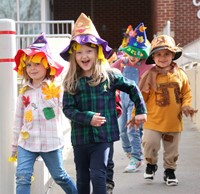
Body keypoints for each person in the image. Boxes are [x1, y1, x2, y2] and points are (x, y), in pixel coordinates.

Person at [60, 13, 147, 194]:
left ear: (97, 52)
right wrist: (88, 118)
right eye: (79, 52)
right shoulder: (71, 81)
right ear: (74, 56)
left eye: (89, 51)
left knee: (99, 174)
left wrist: (140, 110)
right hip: (80, 137)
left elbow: (132, 88)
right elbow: (68, 109)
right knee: (82, 176)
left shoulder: (110, 76)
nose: (84, 56)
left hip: (103, 137)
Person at [9, 33, 78, 194]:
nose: (32, 68)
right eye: (29, 65)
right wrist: (14, 144)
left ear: (47, 65)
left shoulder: (56, 88)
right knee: (22, 176)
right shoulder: (24, 91)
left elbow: (68, 109)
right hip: (26, 142)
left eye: (37, 64)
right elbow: (18, 120)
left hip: (51, 142)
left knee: (59, 176)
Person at [128, 34, 198, 186]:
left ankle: (170, 171)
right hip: (153, 120)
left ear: (173, 55)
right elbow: (140, 98)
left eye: (166, 54)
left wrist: (186, 105)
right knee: (149, 144)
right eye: (158, 54)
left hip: (173, 121)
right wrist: (135, 114)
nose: (162, 58)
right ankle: (151, 164)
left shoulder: (180, 74)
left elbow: (186, 92)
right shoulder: (148, 76)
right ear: (153, 57)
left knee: (172, 151)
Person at [111, 23, 154, 173]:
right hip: (123, 101)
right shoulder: (122, 63)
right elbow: (108, 73)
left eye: (138, 54)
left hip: (137, 102)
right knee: (122, 130)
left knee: (132, 129)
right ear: (127, 51)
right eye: (132, 53)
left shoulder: (146, 65)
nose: (134, 57)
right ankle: (130, 152)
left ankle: (137, 158)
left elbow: (158, 71)